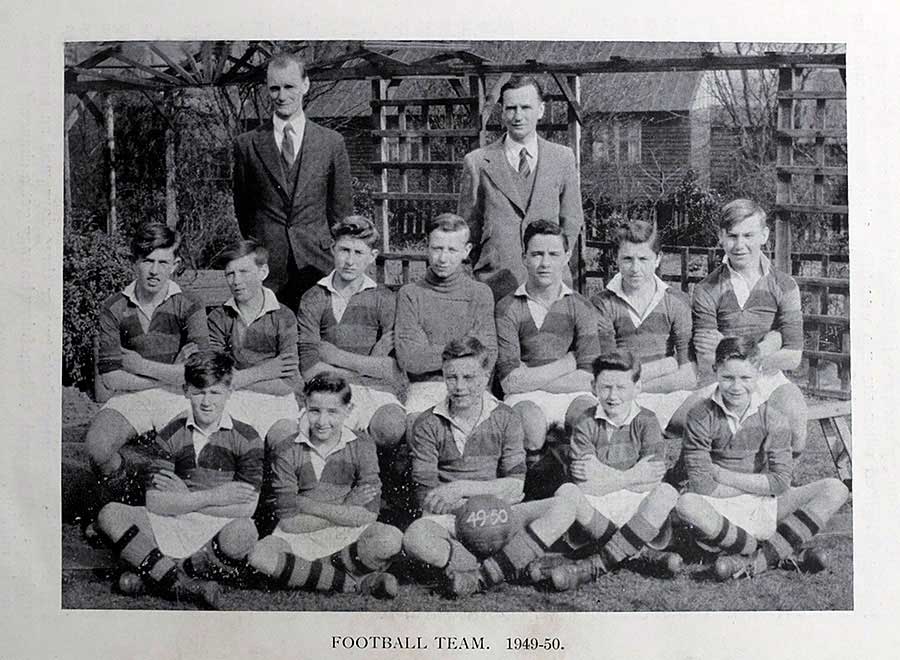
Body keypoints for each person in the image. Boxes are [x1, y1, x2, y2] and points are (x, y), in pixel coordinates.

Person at [402, 336, 578, 597]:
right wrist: (476, 505)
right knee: (415, 537)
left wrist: (460, 488)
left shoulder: (507, 417)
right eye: (452, 377)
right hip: (453, 520)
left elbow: (516, 486)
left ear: (486, 377)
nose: (459, 386)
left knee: (565, 504)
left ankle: (483, 576)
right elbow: (427, 497)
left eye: (469, 377)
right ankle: (510, 563)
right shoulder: (427, 423)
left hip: (501, 515)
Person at [94, 351, 262, 609]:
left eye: (215, 393)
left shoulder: (247, 436)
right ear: (185, 391)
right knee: (110, 514)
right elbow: (155, 503)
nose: (206, 402)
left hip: (217, 527)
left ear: (229, 392)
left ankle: (157, 574)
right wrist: (212, 496)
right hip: (172, 521)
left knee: (244, 532)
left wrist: (183, 498)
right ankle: (182, 583)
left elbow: (246, 507)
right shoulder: (170, 433)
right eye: (198, 392)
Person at [675, 337, 848, 579]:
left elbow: (780, 483)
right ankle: (773, 551)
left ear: (758, 373)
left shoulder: (773, 416)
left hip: (764, 505)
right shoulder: (700, 415)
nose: (736, 387)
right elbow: (703, 483)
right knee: (686, 505)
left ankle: (757, 561)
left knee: (835, 488)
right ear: (716, 372)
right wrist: (757, 485)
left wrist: (723, 474)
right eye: (728, 378)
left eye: (745, 378)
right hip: (718, 506)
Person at [668, 199, 807, 458]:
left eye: (748, 235)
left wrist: (728, 345)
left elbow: (793, 357)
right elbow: (709, 358)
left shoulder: (785, 285)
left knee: (796, 428)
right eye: (732, 236)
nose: (740, 245)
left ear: (764, 236)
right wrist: (769, 343)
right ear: (721, 237)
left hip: (769, 379)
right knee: (699, 426)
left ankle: (775, 488)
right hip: (724, 380)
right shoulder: (707, 289)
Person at [532, 351, 680, 591]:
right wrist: (632, 475)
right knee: (568, 491)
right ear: (593, 387)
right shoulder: (585, 422)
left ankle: (592, 566)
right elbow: (585, 484)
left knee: (666, 493)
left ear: (637, 387)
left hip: (636, 507)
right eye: (606, 387)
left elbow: (651, 480)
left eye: (621, 387)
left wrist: (604, 474)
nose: (613, 396)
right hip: (598, 509)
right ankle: (636, 552)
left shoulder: (648, 420)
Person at [86, 223, 208, 505]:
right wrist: (174, 373)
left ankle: (180, 515)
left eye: (163, 262)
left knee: (199, 456)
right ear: (134, 262)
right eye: (147, 261)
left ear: (175, 265)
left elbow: (201, 371)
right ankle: (126, 497)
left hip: (179, 397)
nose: (154, 271)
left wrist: (139, 364)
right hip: (131, 396)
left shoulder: (190, 303)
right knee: (97, 448)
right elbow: (111, 378)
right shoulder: (114, 306)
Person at [249, 373, 402, 598]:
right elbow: (289, 523)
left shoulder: (362, 445)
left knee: (391, 539)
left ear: (348, 411)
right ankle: (351, 582)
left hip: (347, 532)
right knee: (259, 556)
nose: (322, 421)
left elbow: (368, 514)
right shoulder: (287, 449)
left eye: (332, 412)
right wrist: (346, 504)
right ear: (304, 407)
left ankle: (313, 573)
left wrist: (306, 504)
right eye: (315, 411)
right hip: (301, 536)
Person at [232, 52, 352, 311]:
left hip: (318, 263)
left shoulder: (331, 143)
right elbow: (243, 209)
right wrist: (262, 248)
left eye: (289, 87)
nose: (282, 96)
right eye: (274, 88)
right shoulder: (247, 144)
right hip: (268, 267)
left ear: (305, 85)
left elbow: (341, 213)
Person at [457, 75, 583, 301]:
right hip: (495, 285)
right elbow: (467, 228)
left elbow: (571, 219)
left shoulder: (562, 157)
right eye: (511, 108)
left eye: (526, 107)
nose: (518, 116)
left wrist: (555, 261)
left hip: (550, 285)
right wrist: (484, 267)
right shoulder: (478, 161)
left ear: (541, 110)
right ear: (502, 112)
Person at [494, 220, 599, 471]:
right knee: (531, 428)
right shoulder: (508, 307)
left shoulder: (581, 307)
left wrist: (530, 374)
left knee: (589, 419)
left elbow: (589, 377)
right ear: (524, 258)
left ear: (566, 257)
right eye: (537, 254)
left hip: (571, 393)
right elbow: (510, 382)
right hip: (524, 396)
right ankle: (531, 493)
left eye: (553, 254)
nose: (545, 263)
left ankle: (585, 491)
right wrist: (567, 363)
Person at [297, 215, 406, 446]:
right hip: (328, 390)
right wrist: (367, 367)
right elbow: (309, 368)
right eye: (344, 250)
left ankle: (375, 476)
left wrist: (336, 356)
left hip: (375, 391)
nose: (350, 261)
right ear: (333, 249)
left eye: (358, 253)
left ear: (372, 257)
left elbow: (392, 370)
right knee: (323, 430)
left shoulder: (384, 299)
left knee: (391, 425)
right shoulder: (314, 297)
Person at [591, 219, 696, 430]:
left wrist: (637, 384)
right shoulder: (602, 303)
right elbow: (610, 373)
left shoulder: (677, 301)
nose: (635, 268)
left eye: (644, 259)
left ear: (658, 259)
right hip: (619, 400)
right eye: (628, 259)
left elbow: (688, 376)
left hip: (668, 395)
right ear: (616, 259)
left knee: (708, 418)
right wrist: (667, 365)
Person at [394, 213, 496, 413]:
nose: (442, 258)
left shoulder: (480, 294)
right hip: (424, 389)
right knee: (419, 425)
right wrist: (467, 345)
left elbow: (488, 355)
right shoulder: (411, 294)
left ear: (466, 251)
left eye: (451, 250)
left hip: (471, 386)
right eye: (437, 249)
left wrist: (432, 351)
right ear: (427, 247)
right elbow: (410, 359)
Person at [208, 239, 301, 441]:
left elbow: (289, 383)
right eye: (230, 274)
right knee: (232, 445)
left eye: (244, 272)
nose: (236, 281)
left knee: (284, 443)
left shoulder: (283, 316)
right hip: (233, 400)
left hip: (277, 402)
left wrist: (237, 378)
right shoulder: (218, 317)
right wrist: (266, 371)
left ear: (263, 272)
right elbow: (216, 377)